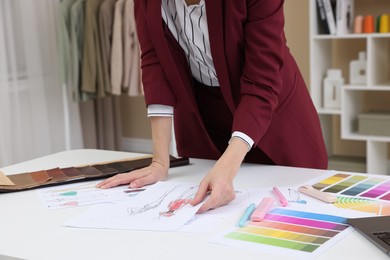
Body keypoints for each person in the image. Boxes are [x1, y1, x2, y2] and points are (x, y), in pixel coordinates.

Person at [96, 0, 328, 213]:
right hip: (203, 113)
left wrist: (228, 166)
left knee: (290, 209)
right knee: (210, 214)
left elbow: (262, 80)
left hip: (271, 113)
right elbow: (155, 60)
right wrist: (159, 161)